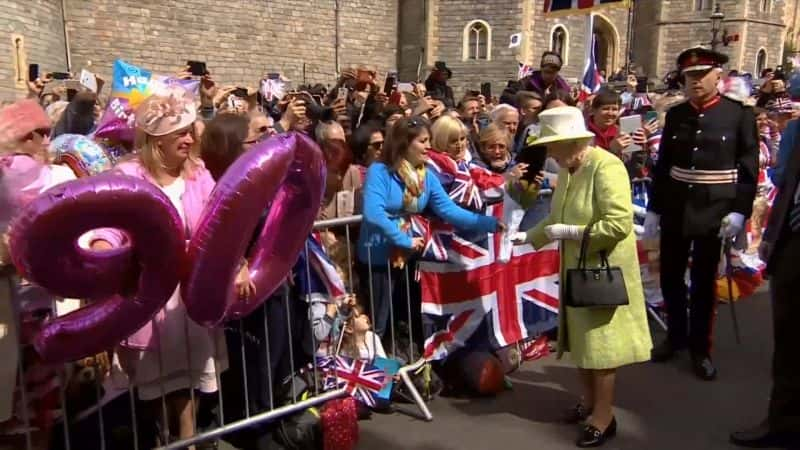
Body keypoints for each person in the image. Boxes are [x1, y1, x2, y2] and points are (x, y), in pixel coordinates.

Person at [90, 88, 253, 446]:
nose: (189, 137)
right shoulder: (129, 175)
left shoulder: (199, 174)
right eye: (178, 131)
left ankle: (188, 439)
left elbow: (221, 225)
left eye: (188, 130)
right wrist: (103, 247)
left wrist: (239, 263)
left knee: (191, 378)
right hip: (148, 295)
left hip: (190, 295)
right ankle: (161, 438)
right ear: (155, 139)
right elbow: (111, 224)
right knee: (154, 385)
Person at [513, 106, 652, 447]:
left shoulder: (607, 166)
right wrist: (528, 238)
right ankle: (589, 403)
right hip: (576, 268)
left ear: (571, 141)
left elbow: (617, 224)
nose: (548, 153)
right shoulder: (571, 168)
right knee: (581, 342)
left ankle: (604, 416)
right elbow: (555, 218)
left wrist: (571, 231)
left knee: (602, 348)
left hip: (603, 269)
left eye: (551, 146)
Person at [645, 47, 759, 381]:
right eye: (688, 77)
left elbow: (748, 168)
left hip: (715, 207)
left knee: (703, 282)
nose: (694, 82)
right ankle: (676, 336)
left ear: (718, 76)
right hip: (678, 204)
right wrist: (655, 208)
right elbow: (665, 165)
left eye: (700, 75)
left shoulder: (738, 115)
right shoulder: (678, 115)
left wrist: (740, 212)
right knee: (670, 276)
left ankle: (700, 347)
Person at [357, 116, 504, 338]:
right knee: (380, 320)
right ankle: (376, 368)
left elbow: (449, 210)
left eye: (429, 140)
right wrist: (403, 239)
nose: (428, 146)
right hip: (380, 256)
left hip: (411, 256)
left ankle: (406, 364)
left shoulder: (425, 175)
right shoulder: (380, 171)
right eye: (423, 141)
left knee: (406, 317)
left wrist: (489, 223)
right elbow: (373, 212)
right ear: (405, 143)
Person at [729, 117, 800, 448]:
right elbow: (789, 187)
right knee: (788, 341)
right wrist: (773, 236)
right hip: (793, 244)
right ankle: (783, 421)